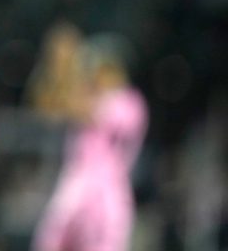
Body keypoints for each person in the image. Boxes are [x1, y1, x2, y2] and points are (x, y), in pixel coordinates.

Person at [26, 24, 148, 251]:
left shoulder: (129, 101)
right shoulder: (94, 96)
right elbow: (46, 107)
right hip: (77, 184)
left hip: (107, 193)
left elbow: (87, 112)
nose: (95, 73)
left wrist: (64, 67)